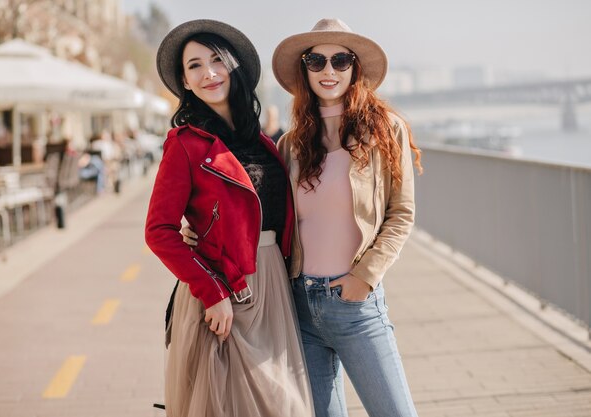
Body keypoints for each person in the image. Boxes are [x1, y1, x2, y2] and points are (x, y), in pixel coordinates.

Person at [145, 19, 314, 417]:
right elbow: (158, 231)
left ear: (233, 66)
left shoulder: (262, 140)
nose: (209, 73)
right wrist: (212, 291)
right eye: (195, 66)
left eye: (217, 60)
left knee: (284, 402)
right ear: (185, 82)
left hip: (273, 281)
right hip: (225, 290)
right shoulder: (185, 144)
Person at [272, 18, 423, 417]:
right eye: (315, 60)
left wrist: (364, 277)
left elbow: (401, 213)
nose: (328, 71)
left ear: (354, 67)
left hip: (356, 305)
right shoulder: (291, 144)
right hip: (301, 306)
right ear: (304, 69)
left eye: (340, 60)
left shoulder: (385, 131)